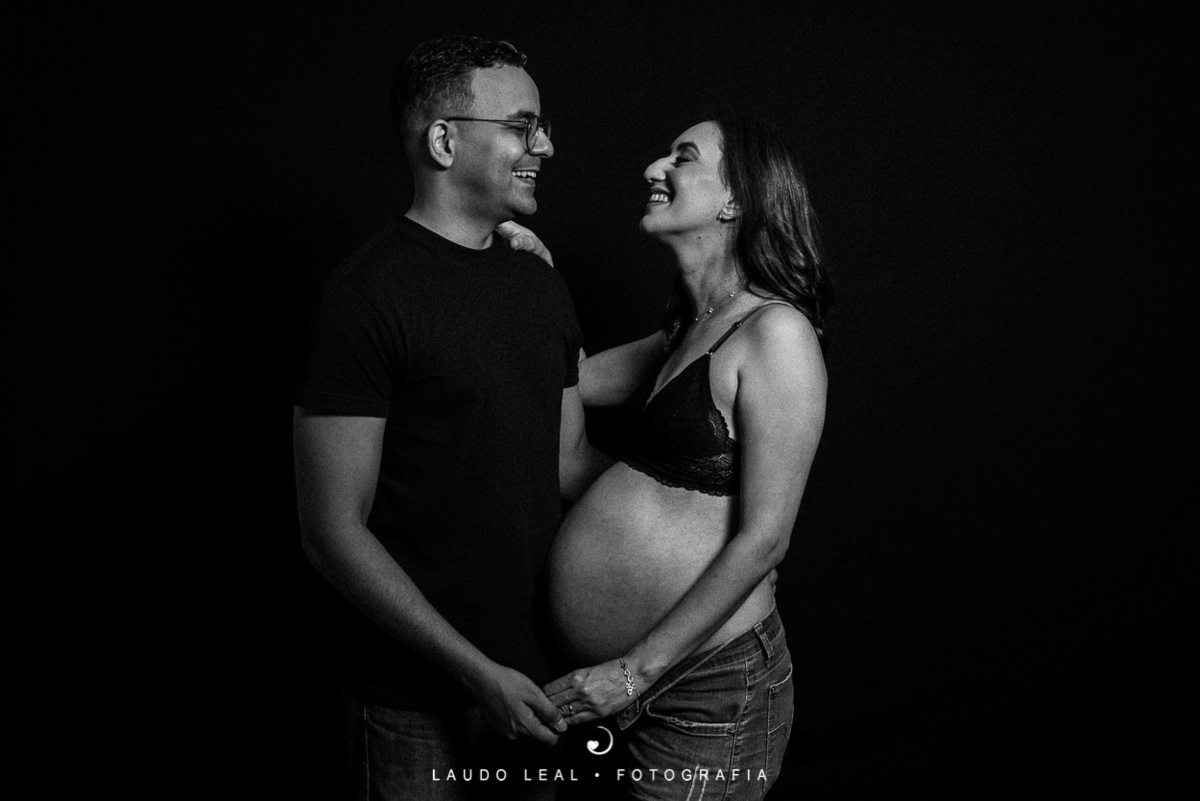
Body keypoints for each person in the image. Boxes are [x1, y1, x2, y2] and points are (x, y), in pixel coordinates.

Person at [292, 36, 609, 800]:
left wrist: (699, 520)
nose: (546, 147)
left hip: (542, 689)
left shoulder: (540, 284)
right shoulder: (363, 299)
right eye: (523, 127)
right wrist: (476, 672)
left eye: (542, 127)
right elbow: (332, 531)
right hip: (414, 706)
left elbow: (569, 461)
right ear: (443, 140)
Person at [508, 108, 831, 799]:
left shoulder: (776, 333)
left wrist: (632, 673)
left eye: (683, 157)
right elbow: (567, 383)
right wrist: (542, 287)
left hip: (708, 689)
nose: (654, 167)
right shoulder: (686, 330)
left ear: (736, 199)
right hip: (629, 686)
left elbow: (766, 539)